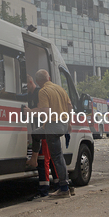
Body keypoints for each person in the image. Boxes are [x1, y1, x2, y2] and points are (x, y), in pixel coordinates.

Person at [24, 69, 74, 199]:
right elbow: (70, 106)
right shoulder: (60, 89)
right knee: (35, 134)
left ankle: (64, 188)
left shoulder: (43, 91)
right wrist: (68, 123)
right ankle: (34, 159)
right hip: (62, 124)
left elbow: (45, 112)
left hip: (53, 126)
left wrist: (30, 112)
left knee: (57, 157)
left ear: (37, 81)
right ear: (49, 77)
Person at [24, 75, 60, 200]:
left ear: (30, 82)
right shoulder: (32, 94)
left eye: (25, 86)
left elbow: (42, 110)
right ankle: (58, 185)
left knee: (43, 160)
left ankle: (43, 191)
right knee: (50, 159)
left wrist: (29, 111)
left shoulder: (39, 93)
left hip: (44, 130)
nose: (25, 89)